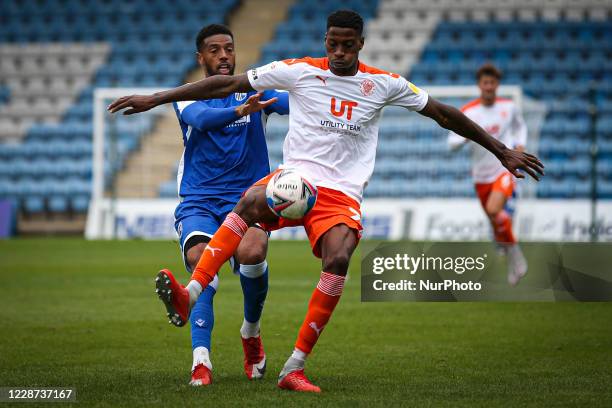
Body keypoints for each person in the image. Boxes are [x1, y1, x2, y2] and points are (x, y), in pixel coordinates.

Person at [109, 10, 544, 392]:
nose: (338, 52)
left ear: (360, 45)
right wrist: (157, 98)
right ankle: (190, 294)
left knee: (339, 258)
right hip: (295, 179)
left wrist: (500, 149)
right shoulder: (298, 70)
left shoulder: (383, 83)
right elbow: (228, 84)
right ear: (325, 42)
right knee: (251, 200)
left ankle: (293, 366)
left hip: (342, 195)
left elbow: (443, 113)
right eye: (332, 44)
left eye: (347, 45)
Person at [161, 24, 289, 386]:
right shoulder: (187, 95)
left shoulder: (256, 90)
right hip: (200, 200)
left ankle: (251, 333)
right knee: (202, 260)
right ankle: (201, 360)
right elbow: (201, 120)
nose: (223, 56)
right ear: (200, 57)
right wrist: (238, 112)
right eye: (214, 50)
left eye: (228, 49)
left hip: (248, 201)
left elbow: (295, 104)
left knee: (252, 251)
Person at [448, 63, 528, 285]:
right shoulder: (469, 112)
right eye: (485, 83)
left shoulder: (509, 107)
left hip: (503, 170)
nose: (489, 87)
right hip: (480, 176)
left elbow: (521, 126)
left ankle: (517, 260)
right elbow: (451, 143)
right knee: (495, 220)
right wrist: (463, 138)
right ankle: (513, 257)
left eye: (492, 83)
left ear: (497, 85)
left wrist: (520, 145)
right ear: (479, 85)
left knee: (494, 210)